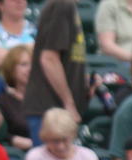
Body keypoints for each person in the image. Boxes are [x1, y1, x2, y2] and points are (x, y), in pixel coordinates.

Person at [23, 0, 88, 141]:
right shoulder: (62, 4)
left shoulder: (67, 6)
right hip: (50, 112)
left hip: (58, 110)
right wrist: (68, 103)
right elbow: (49, 59)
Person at [0, 43, 31, 149]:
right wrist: (13, 139)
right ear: (11, 69)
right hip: (20, 153)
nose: (30, 69)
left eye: (33, 64)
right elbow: (0, 135)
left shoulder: (48, 98)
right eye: (24, 64)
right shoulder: (3, 101)